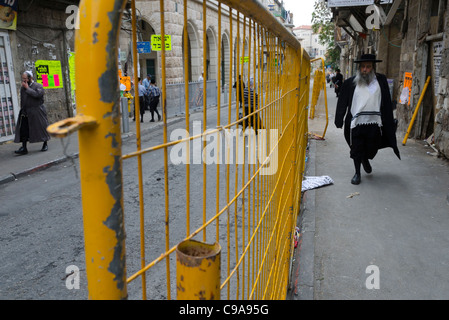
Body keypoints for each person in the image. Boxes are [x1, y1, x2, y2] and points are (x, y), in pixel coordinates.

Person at [334, 54, 400, 185]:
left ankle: (365, 158)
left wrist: (389, 120)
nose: (365, 69)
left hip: (374, 123)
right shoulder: (351, 83)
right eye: (363, 67)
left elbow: (386, 101)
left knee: (372, 148)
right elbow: (342, 102)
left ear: (373, 68)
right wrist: (339, 119)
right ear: (359, 68)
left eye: (368, 67)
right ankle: (357, 173)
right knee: (356, 147)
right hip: (356, 123)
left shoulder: (381, 81)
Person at [14, 71, 50, 155]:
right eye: (23, 79)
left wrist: (28, 88)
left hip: (37, 110)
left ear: (30, 78)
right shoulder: (23, 88)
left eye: (25, 79)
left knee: (42, 128)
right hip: (26, 111)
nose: (24, 81)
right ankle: (24, 148)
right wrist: (22, 109)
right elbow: (23, 99)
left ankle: (45, 144)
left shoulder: (38, 86)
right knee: (24, 129)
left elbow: (38, 95)